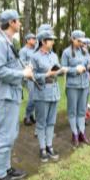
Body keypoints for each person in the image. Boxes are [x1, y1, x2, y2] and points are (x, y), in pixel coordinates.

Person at [0, 10, 34, 180]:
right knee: (4, 136)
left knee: (11, 134)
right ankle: (1, 178)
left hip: (13, 94)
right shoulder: (0, 42)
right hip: (4, 95)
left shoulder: (10, 42)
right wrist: (21, 73)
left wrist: (26, 74)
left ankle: (6, 169)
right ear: (11, 22)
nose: (20, 23)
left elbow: (11, 68)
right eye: (18, 21)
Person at [30, 30, 68, 163]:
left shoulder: (54, 55)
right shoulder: (35, 57)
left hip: (54, 91)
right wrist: (46, 74)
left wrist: (60, 71)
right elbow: (31, 76)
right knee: (41, 122)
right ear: (43, 41)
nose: (53, 41)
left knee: (51, 121)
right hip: (42, 91)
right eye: (50, 39)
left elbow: (56, 72)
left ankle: (49, 146)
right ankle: (42, 148)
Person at [61, 30, 90, 147]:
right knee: (72, 111)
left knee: (82, 111)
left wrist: (88, 66)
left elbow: (88, 63)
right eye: (79, 41)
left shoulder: (84, 51)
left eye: (82, 41)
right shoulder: (66, 53)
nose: (81, 43)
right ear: (72, 39)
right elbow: (63, 69)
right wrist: (75, 70)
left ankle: (82, 132)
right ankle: (74, 133)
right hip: (72, 85)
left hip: (84, 85)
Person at [20, 33, 38, 126]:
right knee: (32, 96)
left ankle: (31, 115)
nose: (35, 40)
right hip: (28, 77)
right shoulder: (23, 51)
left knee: (36, 97)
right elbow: (21, 63)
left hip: (36, 75)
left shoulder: (35, 50)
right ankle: (26, 116)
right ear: (27, 40)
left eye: (35, 38)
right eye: (33, 38)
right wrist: (30, 65)